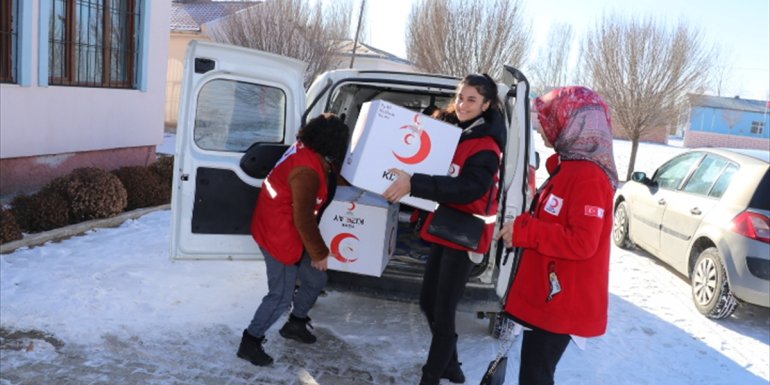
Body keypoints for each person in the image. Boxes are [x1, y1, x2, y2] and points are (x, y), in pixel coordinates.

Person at [383, 74, 506, 385]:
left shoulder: (487, 147)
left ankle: (431, 377)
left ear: (487, 104)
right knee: (429, 303)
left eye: (472, 100)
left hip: (464, 234)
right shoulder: (459, 133)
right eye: (460, 97)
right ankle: (450, 366)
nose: (462, 105)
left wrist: (415, 183)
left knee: (443, 309)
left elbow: (468, 189)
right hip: (444, 227)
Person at [497, 86, 618, 385]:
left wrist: (526, 231)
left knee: (536, 378)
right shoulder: (568, 168)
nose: (544, 128)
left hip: (562, 303)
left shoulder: (588, 177)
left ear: (574, 123)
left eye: (552, 118)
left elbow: (582, 242)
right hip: (550, 299)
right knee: (534, 376)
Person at [237, 113, 350, 367]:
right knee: (280, 296)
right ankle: (250, 341)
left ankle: (295, 324)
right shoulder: (306, 171)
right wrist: (320, 253)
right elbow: (304, 220)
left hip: (285, 228)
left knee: (316, 278)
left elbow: (330, 174)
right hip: (280, 234)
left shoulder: (308, 149)